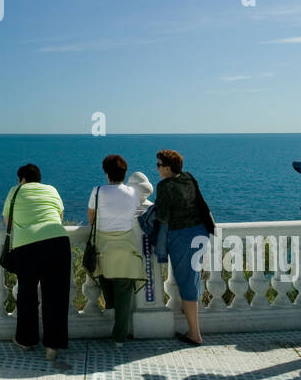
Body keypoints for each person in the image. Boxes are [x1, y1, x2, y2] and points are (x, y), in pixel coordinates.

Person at [4, 162, 71, 368]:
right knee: (56, 296)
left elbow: (7, 220)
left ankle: (26, 340)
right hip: (58, 242)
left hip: (28, 246)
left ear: (21, 179)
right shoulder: (52, 190)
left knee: (27, 293)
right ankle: (53, 347)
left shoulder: (15, 191)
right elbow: (59, 216)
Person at [87, 154, 144, 346]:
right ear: (124, 172)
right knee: (124, 290)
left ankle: (110, 304)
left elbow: (92, 218)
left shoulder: (97, 191)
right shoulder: (132, 193)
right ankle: (119, 338)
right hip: (126, 245)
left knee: (102, 275)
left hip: (104, 246)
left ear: (106, 173)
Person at [154, 148, 209, 346]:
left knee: (187, 282)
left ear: (167, 169)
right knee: (192, 279)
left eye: (159, 165)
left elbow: (162, 216)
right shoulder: (188, 177)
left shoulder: (164, 186)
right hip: (200, 232)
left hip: (182, 236)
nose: (158, 169)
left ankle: (195, 333)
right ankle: (194, 330)